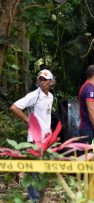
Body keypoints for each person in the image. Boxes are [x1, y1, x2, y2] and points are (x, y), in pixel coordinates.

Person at [10, 69, 54, 202]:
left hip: (47, 139)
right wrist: (28, 120)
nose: (43, 82)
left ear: (51, 82)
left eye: (45, 79)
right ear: (37, 81)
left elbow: (45, 117)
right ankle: (33, 200)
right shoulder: (34, 95)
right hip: (35, 140)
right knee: (34, 171)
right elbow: (14, 107)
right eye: (40, 79)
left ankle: (38, 199)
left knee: (44, 171)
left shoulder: (50, 96)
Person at [78, 64, 94, 154]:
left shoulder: (87, 87)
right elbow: (91, 110)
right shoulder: (90, 89)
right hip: (89, 130)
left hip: (89, 129)